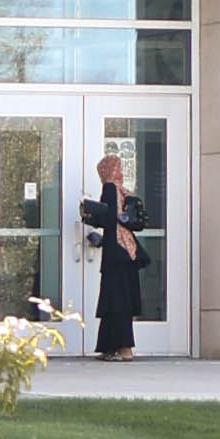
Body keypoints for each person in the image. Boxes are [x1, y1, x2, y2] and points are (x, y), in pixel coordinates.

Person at [82, 152, 145, 360]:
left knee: (116, 302)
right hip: (127, 253)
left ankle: (124, 349)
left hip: (116, 255)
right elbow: (117, 219)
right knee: (120, 300)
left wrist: (90, 215)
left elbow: (109, 219)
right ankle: (110, 348)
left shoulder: (109, 188)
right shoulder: (123, 191)